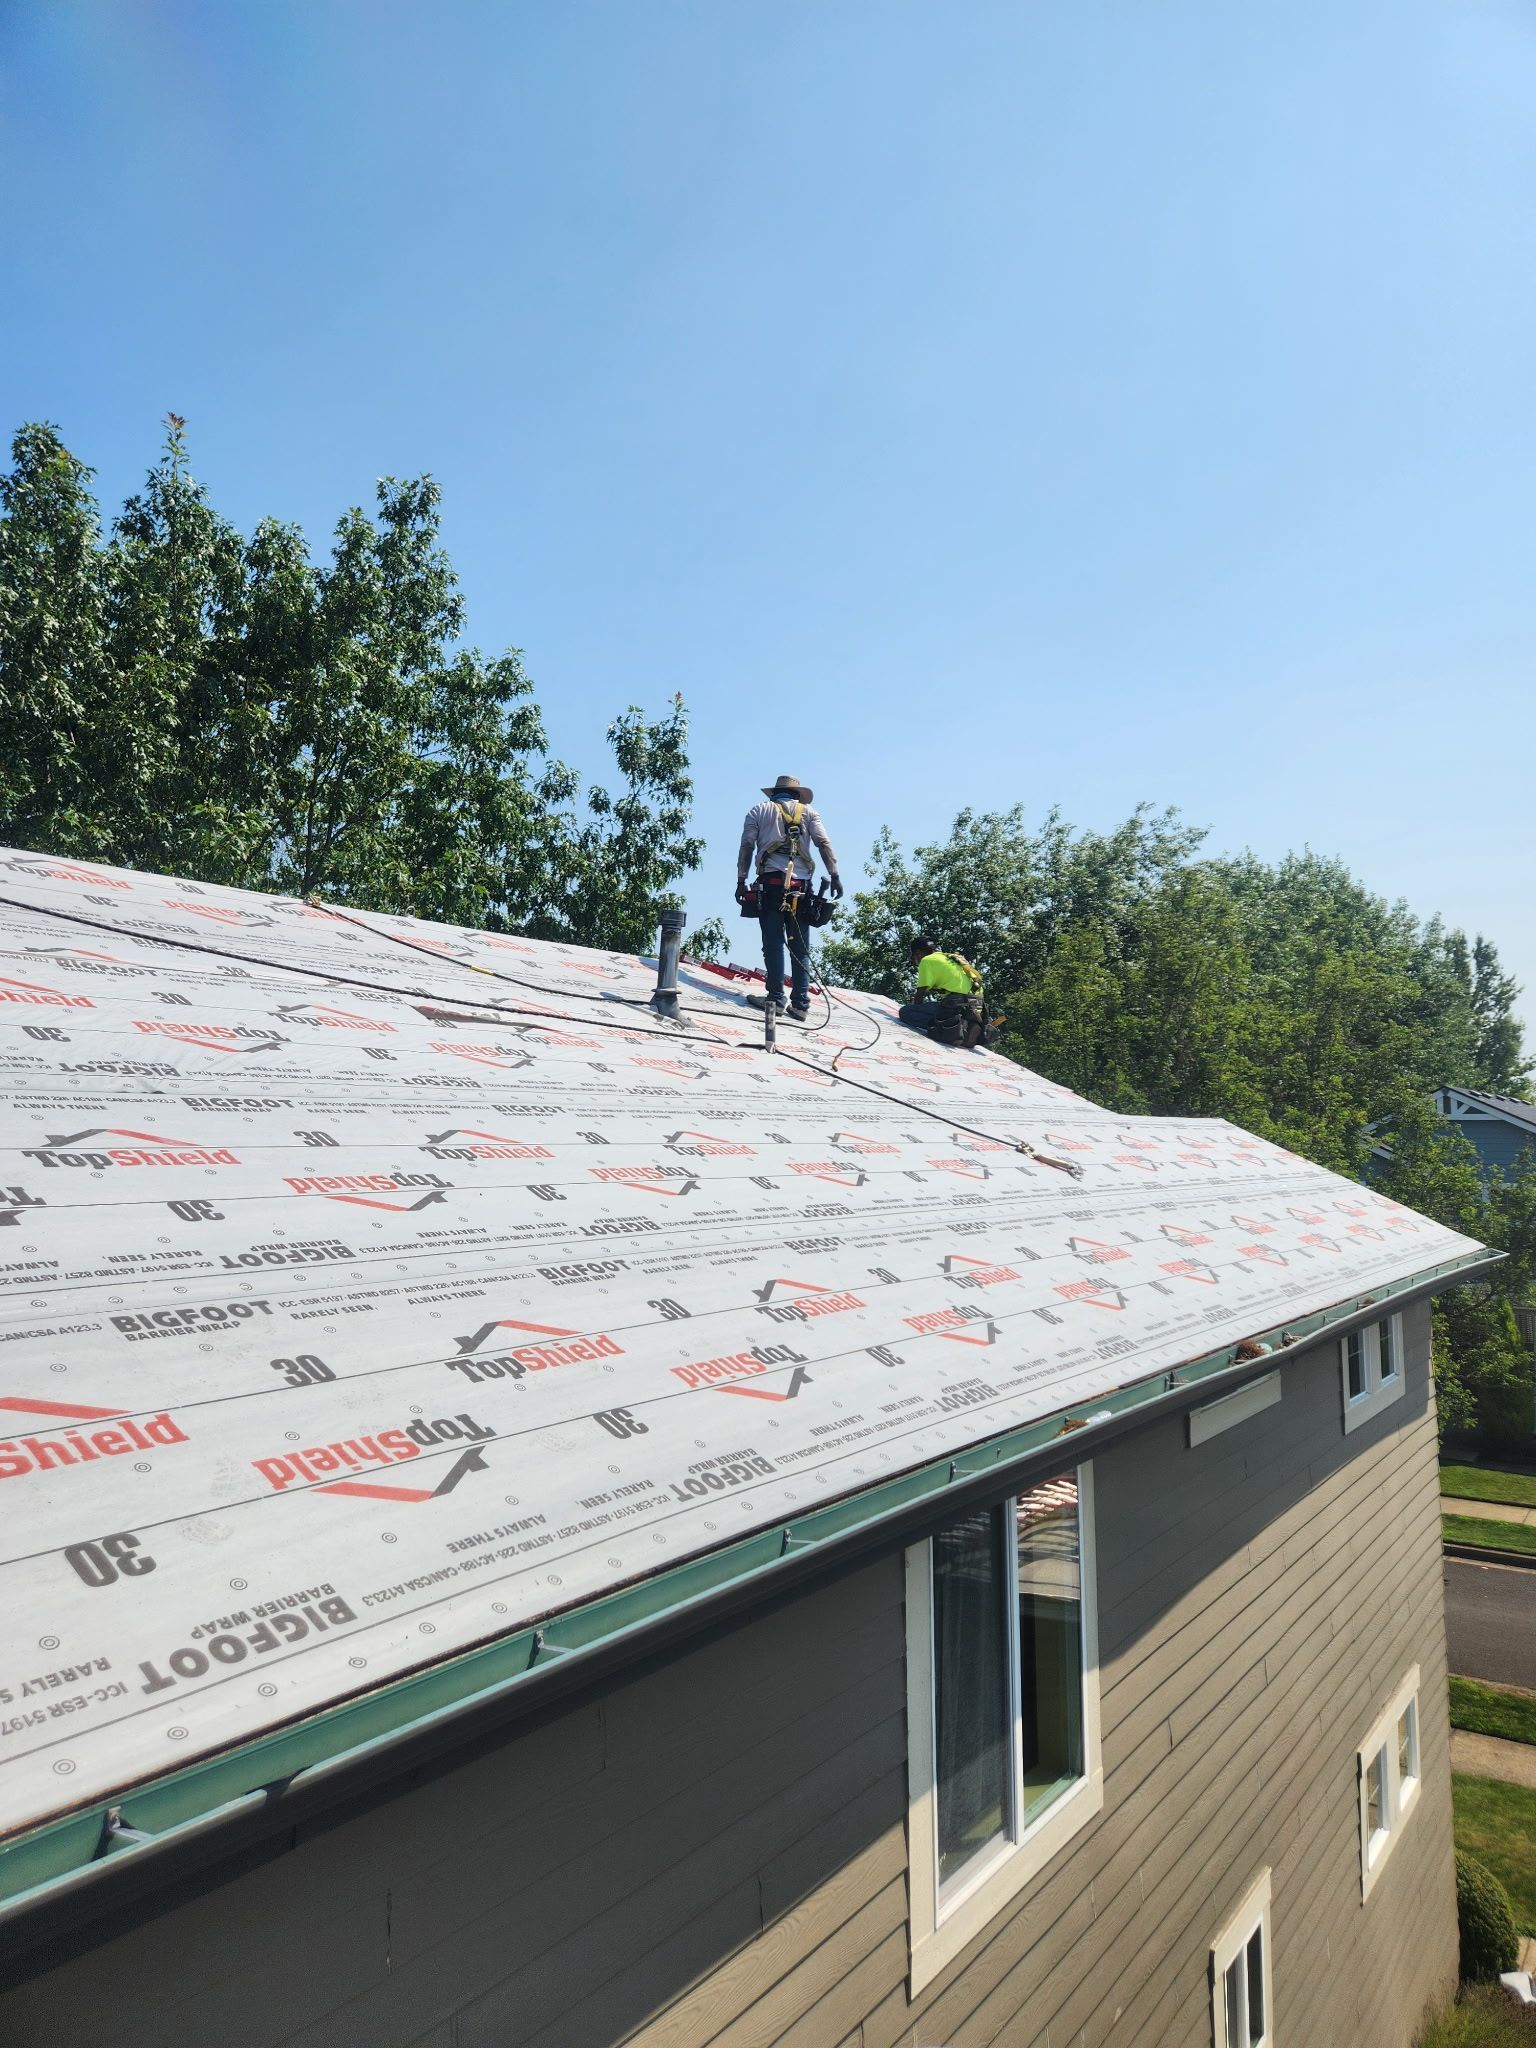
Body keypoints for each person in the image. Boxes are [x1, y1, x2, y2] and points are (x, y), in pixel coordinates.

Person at [736, 773, 843, 1021]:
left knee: (773, 944)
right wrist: (834, 874)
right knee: (800, 946)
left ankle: (776, 998)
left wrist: (741, 879)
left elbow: (747, 845)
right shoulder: (810, 812)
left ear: (774, 793)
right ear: (797, 795)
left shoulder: (758, 810)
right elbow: (823, 843)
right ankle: (801, 1004)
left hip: (771, 885)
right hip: (801, 888)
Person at [899, 936, 987, 1048]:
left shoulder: (926, 961)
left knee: (906, 1012)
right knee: (942, 1008)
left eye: (914, 958)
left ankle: (951, 1030)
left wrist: (915, 1006)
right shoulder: (949, 957)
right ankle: (967, 1028)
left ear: (918, 953)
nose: (915, 962)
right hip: (977, 1007)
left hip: (958, 1004)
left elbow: (919, 995)